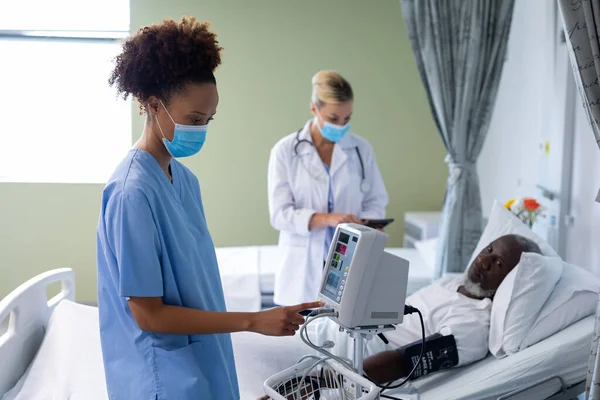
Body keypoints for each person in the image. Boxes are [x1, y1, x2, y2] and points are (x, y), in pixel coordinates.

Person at [96, 17, 321, 400]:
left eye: (208, 120)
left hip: (201, 358)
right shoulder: (131, 192)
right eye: (194, 120)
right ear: (153, 105)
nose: (201, 130)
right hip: (161, 376)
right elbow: (148, 314)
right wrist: (253, 320)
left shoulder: (184, 181)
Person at [301, 234, 542, 388]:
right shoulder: (451, 282)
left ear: (510, 281)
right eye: (488, 250)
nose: (483, 261)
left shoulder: (474, 324)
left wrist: (319, 380)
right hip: (327, 331)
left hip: (338, 357)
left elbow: (403, 361)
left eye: (498, 264)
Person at [267, 70, 389, 308]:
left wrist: (371, 224)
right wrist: (329, 219)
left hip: (351, 260)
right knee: (301, 339)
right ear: (314, 109)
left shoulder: (360, 149)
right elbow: (279, 214)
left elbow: (376, 199)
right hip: (302, 266)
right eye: (333, 119)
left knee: (345, 338)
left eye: (347, 119)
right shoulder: (285, 151)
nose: (341, 126)